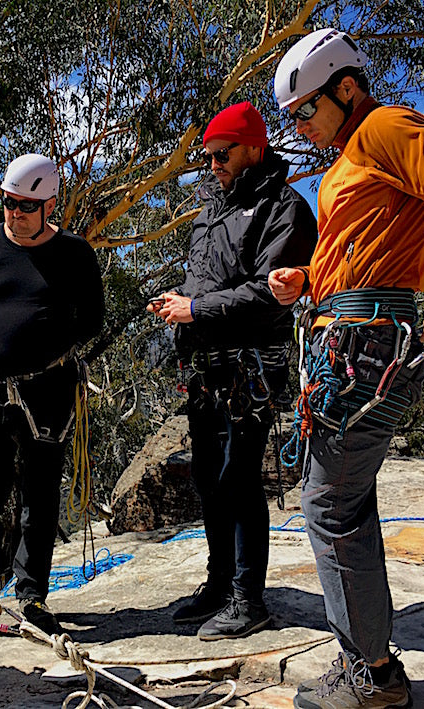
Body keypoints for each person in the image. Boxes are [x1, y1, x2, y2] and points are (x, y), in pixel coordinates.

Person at [270, 28, 424, 708]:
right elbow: (366, 249)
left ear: (346, 87)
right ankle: (365, 662)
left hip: (364, 346)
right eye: (292, 118)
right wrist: (308, 277)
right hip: (343, 337)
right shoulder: (351, 156)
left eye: (306, 109)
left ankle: (371, 674)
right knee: (343, 498)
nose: (300, 126)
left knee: (328, 503)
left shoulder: (382, 128)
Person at [151, 102, 317, 640]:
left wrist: (196, 309)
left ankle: (249, 598)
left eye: (222, 154)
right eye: (209, 156)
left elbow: (271, 293)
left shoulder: (285, 209)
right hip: (205, 365)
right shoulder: (211, 208)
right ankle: (220, 584)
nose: (214, 164)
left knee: (239, 479)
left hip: (251, 366)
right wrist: (182, 300)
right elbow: (206, 277)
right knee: (208, 477)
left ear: (253, 147)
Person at [0, 153, 105, 643]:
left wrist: (48, 350)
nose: (14, 212)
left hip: (50, 388)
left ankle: (32, 598)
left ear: (49, 204)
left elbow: (93, 320)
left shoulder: (75, 255)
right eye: (9, 203)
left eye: (25, 205)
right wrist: (2, 347)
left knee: (40, 495)